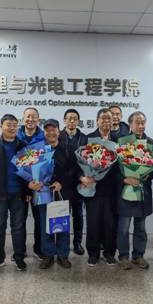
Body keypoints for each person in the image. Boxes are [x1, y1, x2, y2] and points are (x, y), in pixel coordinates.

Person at [0, 114, 28, 272]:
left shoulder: (23, 145)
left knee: (18, 227)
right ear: (1, 126)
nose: (12, 128)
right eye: (8, 125)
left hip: (18, 194)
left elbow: (28, 170)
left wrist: (28, 191)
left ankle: (19, 257)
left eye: (15, 125)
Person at [116, 111, 153, 270]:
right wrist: (125, 179)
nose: (140, 126)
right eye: (137, 122)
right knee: (123, 228)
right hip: (125, 191)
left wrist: (146, 175)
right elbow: (113, 169)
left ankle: (138, 256)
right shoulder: (122, 142)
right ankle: (123, 256)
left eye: (142, 122)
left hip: (142, 191)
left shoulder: (150, 142)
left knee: (141, 227)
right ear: (130, 124)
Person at [80, 108, 118, 267]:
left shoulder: (118, 140)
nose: (106, 121)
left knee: (110, 223)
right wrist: (82, 177)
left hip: (112, 189)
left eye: (109, 118)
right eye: (103, 118)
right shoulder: (88, 139)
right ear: (97, 121)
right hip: (92, 188)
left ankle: (109, 253)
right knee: (93, 222)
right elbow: (79, 163)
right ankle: (93, 253)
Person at [34, 119, 71, 269]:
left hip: (62, 193)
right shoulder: (38, 150)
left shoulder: (68, 148)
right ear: (44, 132)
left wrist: (62, 183)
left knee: (63, 225)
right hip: (44, 192)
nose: (50, 132)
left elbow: (73, 170)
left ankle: (63, 255)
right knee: (45, 225)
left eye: (53, 129)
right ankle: (48, 255)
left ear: (59, 131)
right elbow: (33, 169)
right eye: (47, 130)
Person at [58, 108, 87, 255]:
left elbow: (87, 161)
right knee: (62, 215)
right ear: (64, 120)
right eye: (69, 118)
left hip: (79, 182)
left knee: (78, 215)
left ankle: (77, 243)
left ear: (78, 121)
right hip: (62, 184)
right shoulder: (58, 135)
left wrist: (83, 177)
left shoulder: (84, 138)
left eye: (75, 118)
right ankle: (62, 245)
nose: (72, 121)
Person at [17, 107, 45, 259]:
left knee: (39, 220)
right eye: (28, 116)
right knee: (19, 221)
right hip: (20, 187)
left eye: (34, 117)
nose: (31, 120)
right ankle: (20, 250)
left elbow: (47, 163)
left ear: (38, 120)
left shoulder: (44, 137)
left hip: (39, 187)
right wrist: (26, 188)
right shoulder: (16, 136)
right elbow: (14, 165)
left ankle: (39, 248)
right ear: (23, 118)